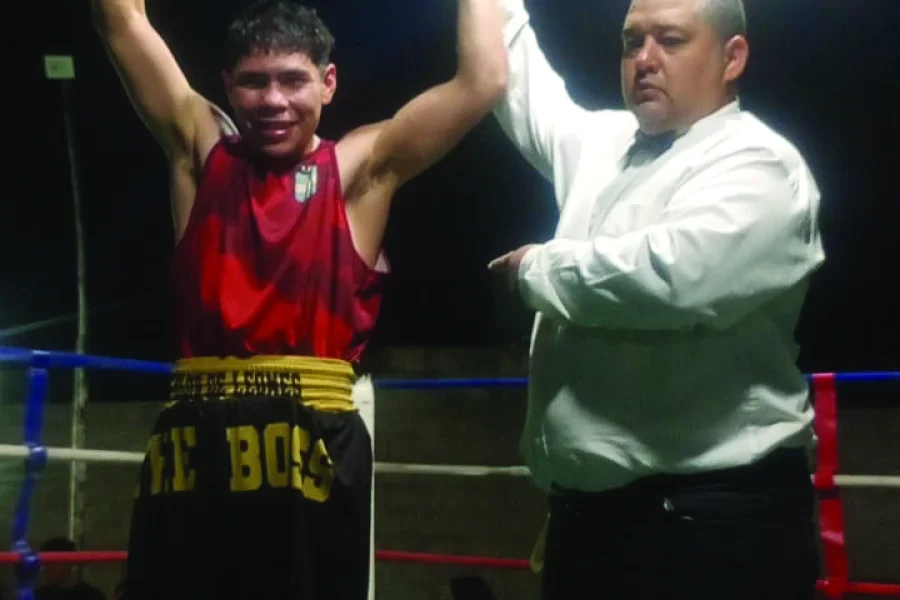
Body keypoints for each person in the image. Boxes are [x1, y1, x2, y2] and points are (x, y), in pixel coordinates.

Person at [89, 1, 508, 599]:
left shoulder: (362, 167)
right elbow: (120, 21)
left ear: (327, 83)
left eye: (293, 79)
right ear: (228, 86)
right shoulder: (199, 148)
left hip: (308, 441)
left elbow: (484, 81)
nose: (274, 100)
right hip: (195, 439)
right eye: (255, 81)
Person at [487, 0, 824, 598]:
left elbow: (672, 277)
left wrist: (536, 268)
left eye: (670, 40)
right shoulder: (605, 144)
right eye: (631, 41)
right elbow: (514, 81)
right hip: (591, 525)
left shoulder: (763, 164)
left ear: (732, 56)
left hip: (714, 529)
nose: (644, 60)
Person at [33, 537, 106, 600]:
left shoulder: (93, 596)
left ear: (68, 562)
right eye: (44, 564)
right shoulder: (38, 596)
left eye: (51, 563)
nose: (45, 569)